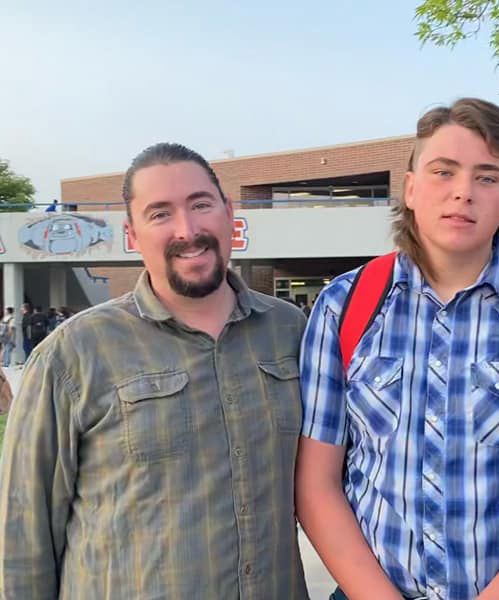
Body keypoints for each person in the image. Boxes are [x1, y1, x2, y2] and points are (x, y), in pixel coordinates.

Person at [297, 98, 499, 600]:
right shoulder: (342, 306)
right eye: (444, 172)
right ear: (411, 188)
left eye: (487, 177)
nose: (463, 193)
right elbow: (317, 486)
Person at [0, 142, 309, 599]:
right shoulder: (74, 353)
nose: (187, 230)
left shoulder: (291, 333)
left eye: (200, 205)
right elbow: (24, 531)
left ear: (228, 213)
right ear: (132, 234)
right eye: (160, 214)